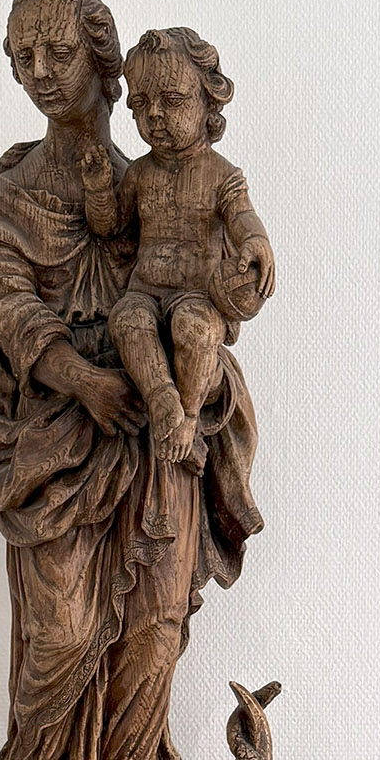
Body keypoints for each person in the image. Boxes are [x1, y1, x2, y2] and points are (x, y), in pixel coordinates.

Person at [0, 0, 263, 760]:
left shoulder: (161, 183)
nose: (40, 72)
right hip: (58, 444)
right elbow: (9, 310)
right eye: (23, 57)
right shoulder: (10, 198)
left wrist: (217, 311)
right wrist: (85, 380)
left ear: (105, 64)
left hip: (160, 439)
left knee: (155, 624)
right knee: (61, 635)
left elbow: (214, 280)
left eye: (59, 52)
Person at [81, 27, 275, 468]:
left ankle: (187, 417)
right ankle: (161, 397)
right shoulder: (140, 173)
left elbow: (242, 216)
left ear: (208, 102)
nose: (154, 115)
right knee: (127, 320)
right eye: (141, 104)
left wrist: (256, 242)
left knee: (195, 329)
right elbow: (110, 226)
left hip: (198, 295)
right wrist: (97, 189)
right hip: (146, 290)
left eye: (171, 100)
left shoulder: (221, 175)